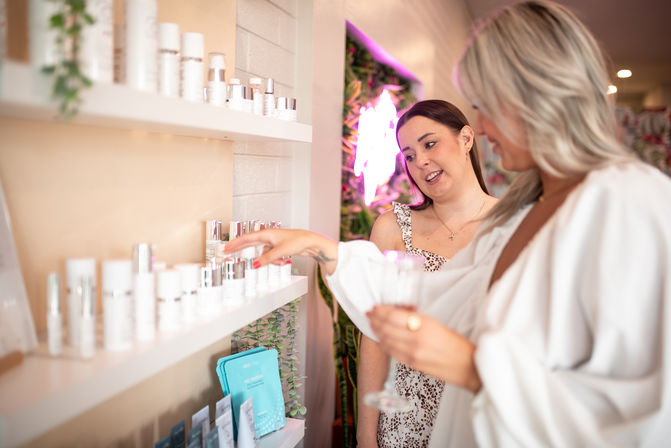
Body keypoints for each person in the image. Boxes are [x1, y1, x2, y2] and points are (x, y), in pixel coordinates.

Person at [227, 1, 671, 446]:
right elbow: (438, 292)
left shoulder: (629, 203)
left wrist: (471, 367)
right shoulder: (524, 212)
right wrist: (322, 248)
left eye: (485, 104)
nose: (481, 125)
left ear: (535, 90)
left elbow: (638, 406)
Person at [359, 99, 497, 448]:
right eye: (408, 154)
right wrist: (365, 438)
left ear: (466, 139)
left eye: (429, 143)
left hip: (477, 414)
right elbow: (375, 339)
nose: (419, 161)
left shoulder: (511, 225)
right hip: (405, 416)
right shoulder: (393, 228)